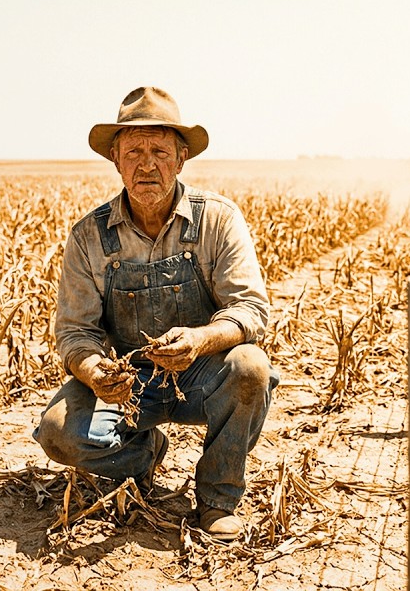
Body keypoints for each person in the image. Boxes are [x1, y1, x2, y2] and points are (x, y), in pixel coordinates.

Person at [34, 86, 279, 541]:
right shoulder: (88, 237)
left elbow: (250, 309)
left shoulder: (218, 219)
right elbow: (74, 332)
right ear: (115, 159)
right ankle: (144, 452)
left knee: (251, 367)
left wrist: (200, 340)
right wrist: (94, 371)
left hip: (202, 375)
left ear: (181, 158)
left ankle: (217, 498)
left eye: (160, 151)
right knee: (56, 432)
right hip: (129, 385)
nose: (147, 164)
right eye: (134, 152)